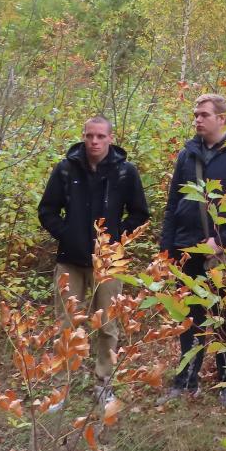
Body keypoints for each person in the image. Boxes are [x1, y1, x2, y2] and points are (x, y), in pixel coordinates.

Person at [37, 116, 149, 400]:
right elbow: (47, 210)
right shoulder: (66, 169)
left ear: (111, 138)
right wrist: (68, 233)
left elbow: (139, 214)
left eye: (100, 136)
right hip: (70, 261)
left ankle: (104, 383)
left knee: (107, 325)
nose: (94, 142)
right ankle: (61, 386)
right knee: (66, 323)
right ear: (83, 137)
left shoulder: (125, 172)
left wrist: (116, 239)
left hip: (109, 262)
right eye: (90, 136)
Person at [159, 94, 226, 406]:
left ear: (221, 119)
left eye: (204, 114)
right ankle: (185, 379)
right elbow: (174, 202)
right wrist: (168, 246)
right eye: (195, 115)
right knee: (191, 317)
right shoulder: (187, 155)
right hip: (187, 248)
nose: (198, 120)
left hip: (221, 253)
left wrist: (223, 239)